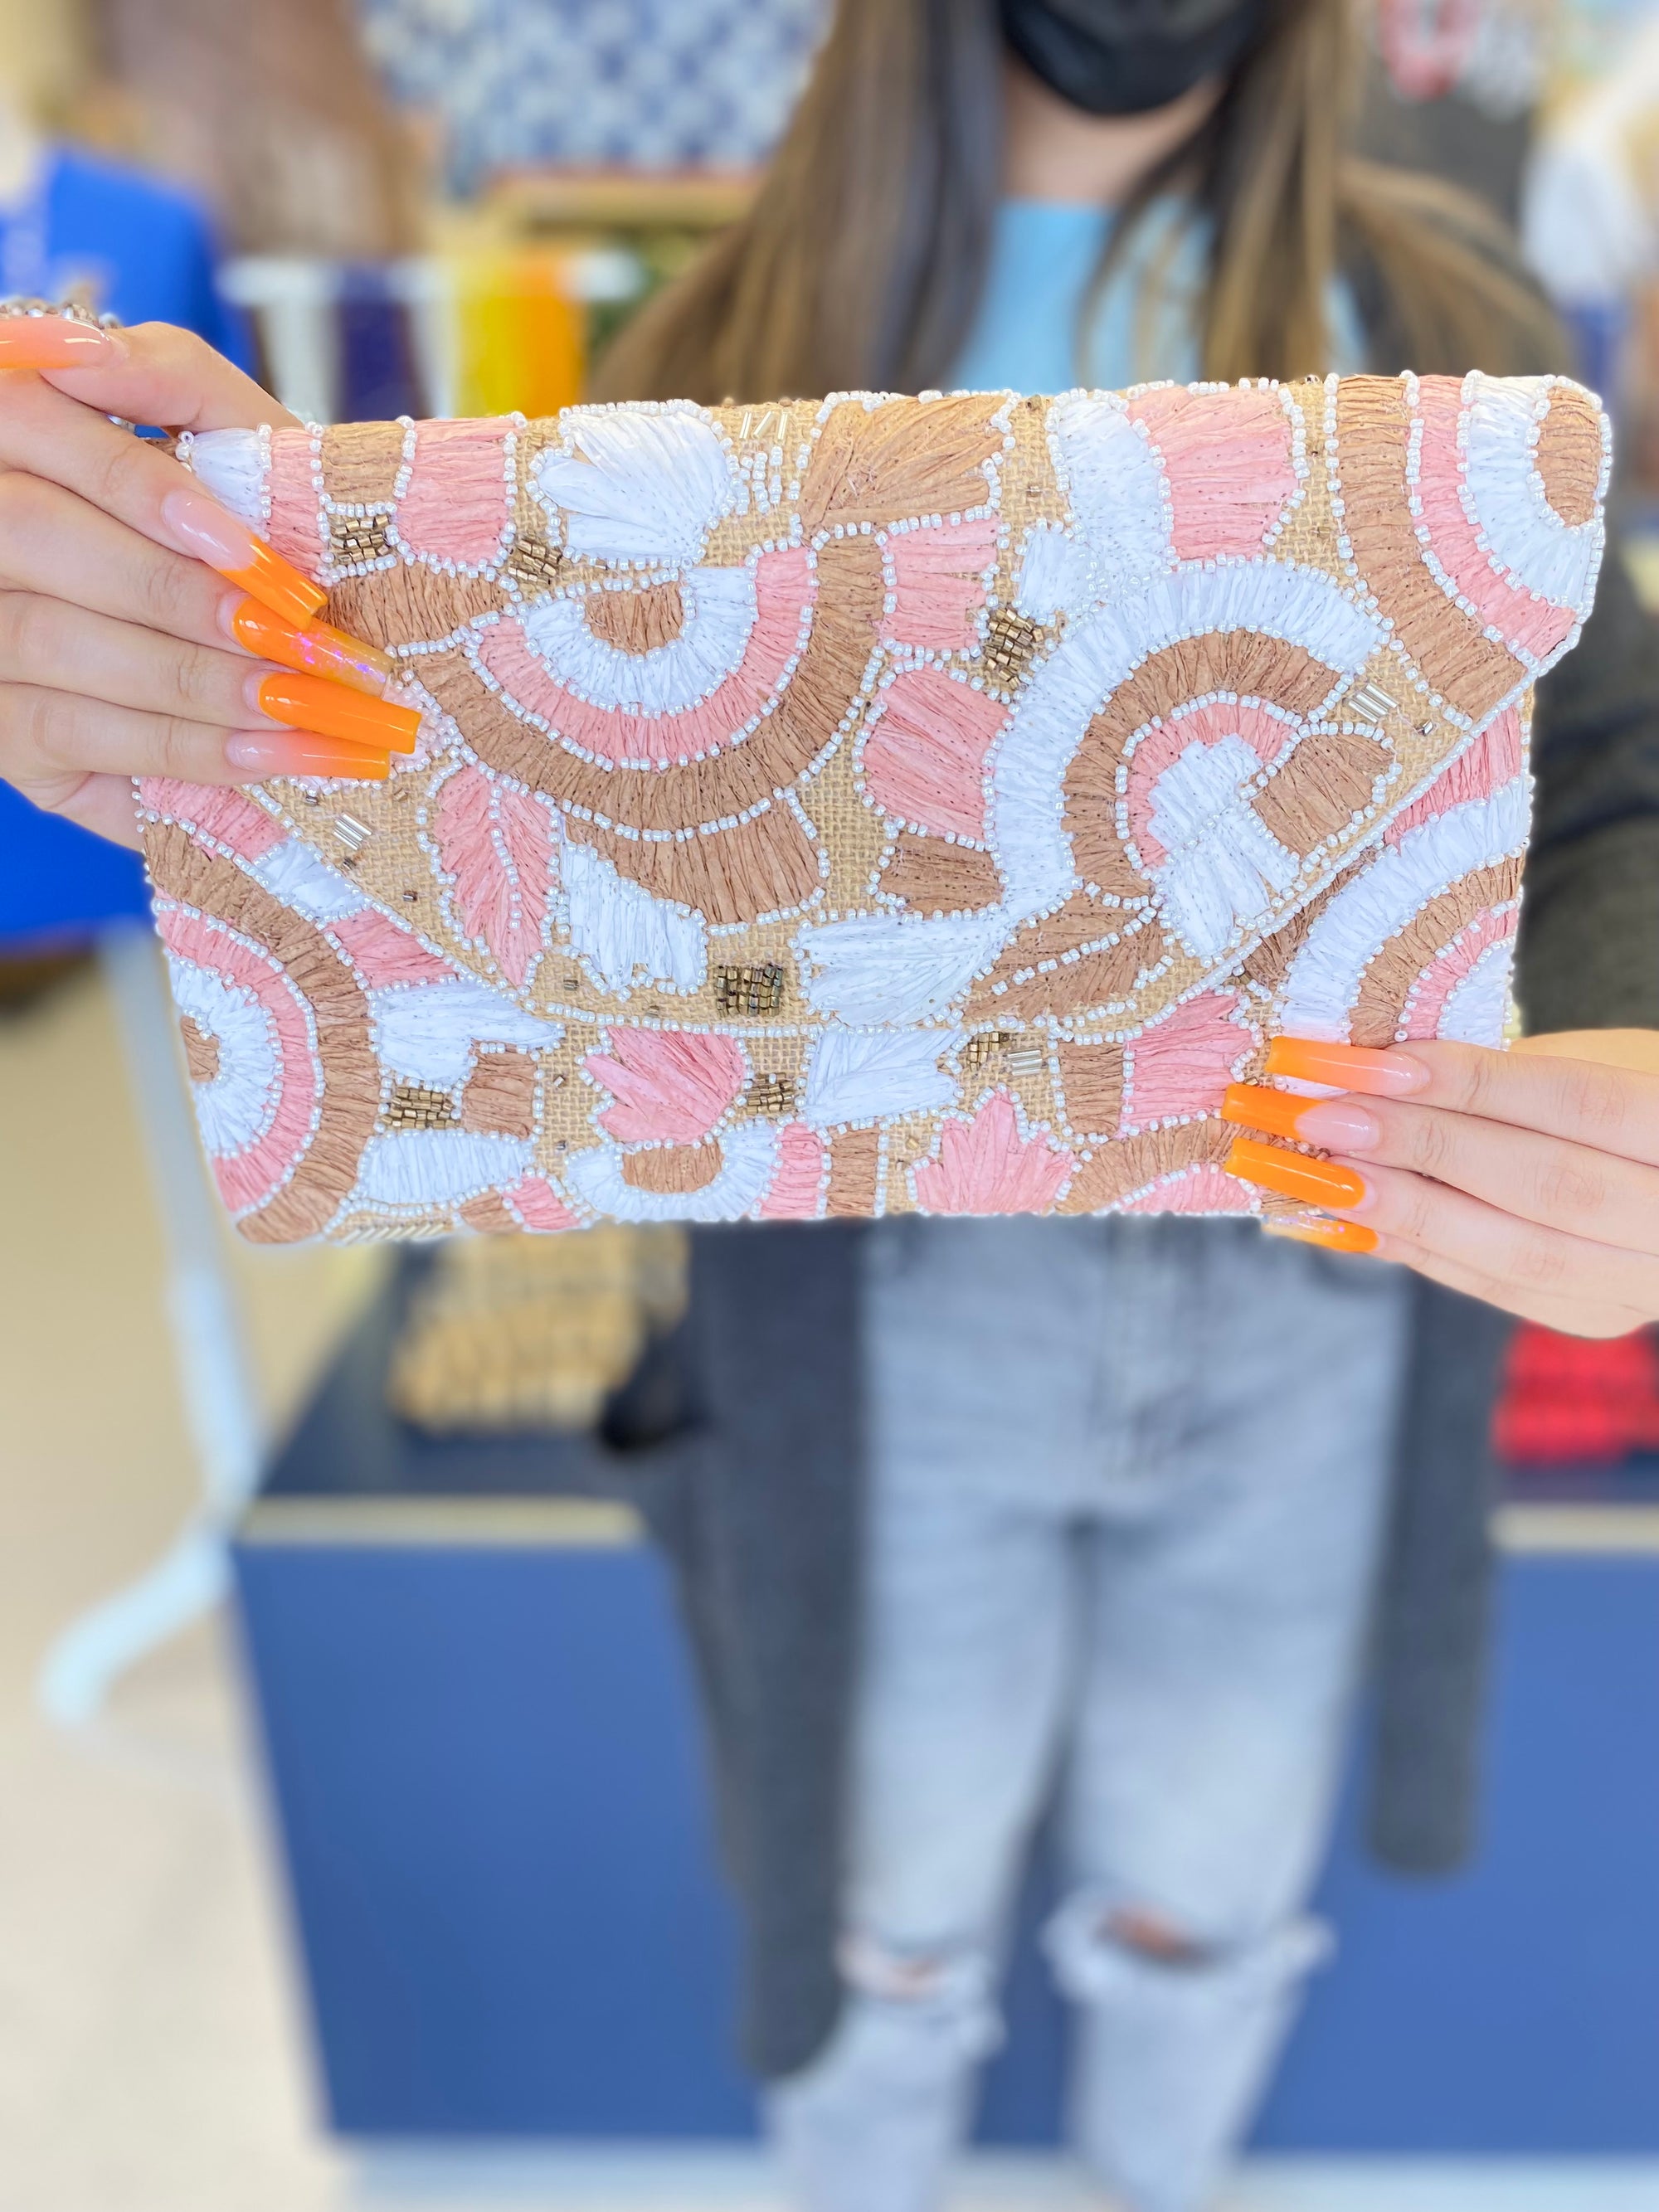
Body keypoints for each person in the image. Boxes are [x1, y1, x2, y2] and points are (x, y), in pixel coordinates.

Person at [1, 6, 1658, 2209]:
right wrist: (223, 627)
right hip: (882, 1331)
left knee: (1213, 1874)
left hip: (1326, 1311)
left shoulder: (1448, 311)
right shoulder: (718, 328)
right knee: (880, 1903)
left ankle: (1162, 2175)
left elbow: (1615, 778)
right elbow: (542, 818)